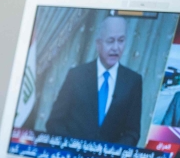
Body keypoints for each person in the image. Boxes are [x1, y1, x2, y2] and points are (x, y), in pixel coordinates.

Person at [45, 15, 144, 146]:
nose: (116, 48)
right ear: (98, 44)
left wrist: (111, 153)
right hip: (69, 156)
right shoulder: (76, 75)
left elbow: (132, 133)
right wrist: (73, 148)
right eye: (110, 41)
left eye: (121, 41)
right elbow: (54, 122)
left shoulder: (133, 81)